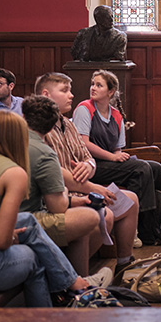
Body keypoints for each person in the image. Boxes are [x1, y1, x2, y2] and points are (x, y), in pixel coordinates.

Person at [0, 110, 112, 306]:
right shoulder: (13, 172)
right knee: (33, 258)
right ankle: (58, 306)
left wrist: (6, 235)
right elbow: (0, 242)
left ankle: (72, 286)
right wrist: (11, 237)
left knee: (27, 221)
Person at [34, 72, 140, 266]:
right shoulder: (39, 129)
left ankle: (124, 264)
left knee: (131, 200)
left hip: (80, 187)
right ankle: (75, 272)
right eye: (65, 90)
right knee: (104, 214)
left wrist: (88, 165)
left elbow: (87, 156)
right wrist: (93, 188)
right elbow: (54, 172)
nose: (72, 95)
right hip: (63, 195)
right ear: (46, 95)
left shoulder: (68, 123)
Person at [72, 69, 161, 245]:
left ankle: (160, 222)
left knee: (155, 168)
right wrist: (112, 157)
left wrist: (117, 157)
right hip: (91, 165)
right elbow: (84, 143)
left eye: (98, 85)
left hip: (109, 162)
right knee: (140, 169)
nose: (93, 88)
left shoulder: (116, 115)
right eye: (92, 84)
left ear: (110, 92)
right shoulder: (84, 109)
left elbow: (118, 149)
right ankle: (141, 229)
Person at [19, 94, 106, 275]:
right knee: (87, 218)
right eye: (66, 89)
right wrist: (66, 190)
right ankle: (77, 281)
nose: (71, 94)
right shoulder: (44, 153)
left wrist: (76, 200)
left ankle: (76, 279)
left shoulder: (10, 140)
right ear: (51, 128)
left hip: (14, 211)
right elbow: (58, 207)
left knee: (84, 213)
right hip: (21, 216)